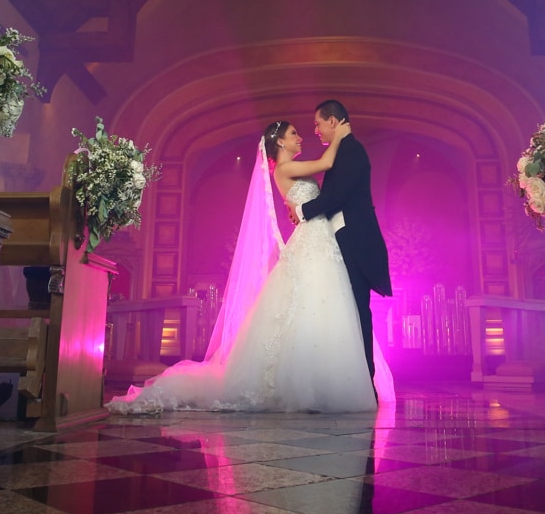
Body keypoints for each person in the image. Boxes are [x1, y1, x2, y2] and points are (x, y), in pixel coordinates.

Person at [105, 119, 390, 414]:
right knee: (306, 307)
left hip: (320, 240)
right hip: (311, 242)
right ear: (280, 142)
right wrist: (341, 132)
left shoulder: (291, 168)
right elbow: (328, 160)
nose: (300, 137)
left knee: (319, 309)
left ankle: (322, 383)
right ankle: (304, 386)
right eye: (293, 134)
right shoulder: (285, 168)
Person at [291, 100, 392, 391]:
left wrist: (300, 212)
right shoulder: (342, 151)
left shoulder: (352, 151)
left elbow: (334, 197)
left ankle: (365, 383)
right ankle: (348, 381)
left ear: (333, 121)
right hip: (340, 241)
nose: (316, 130)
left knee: (359, 310)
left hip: (356, 243)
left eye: (318, 123)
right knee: (346, 310)